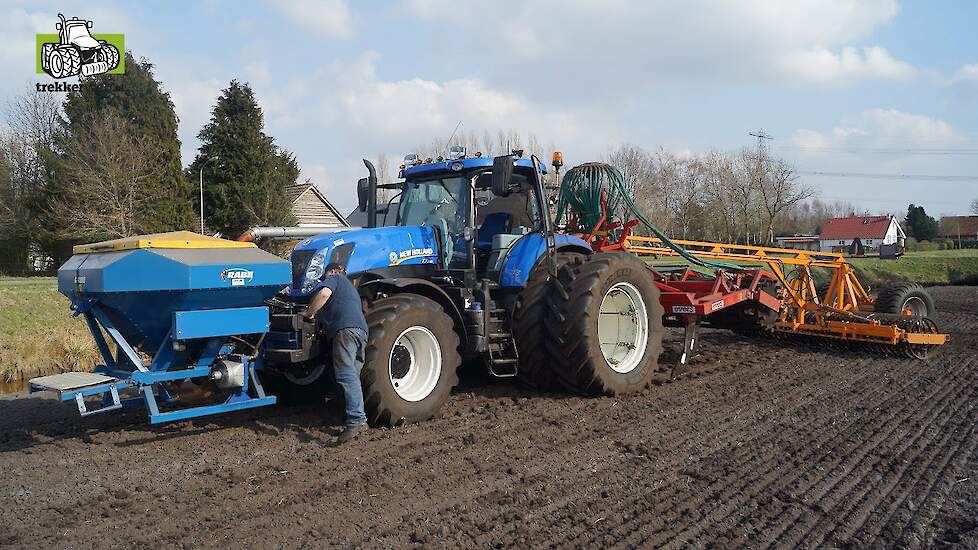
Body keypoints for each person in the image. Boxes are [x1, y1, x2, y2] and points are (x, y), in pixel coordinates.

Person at [305, 263, 369, 443]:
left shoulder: (336, 279)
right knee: (353, 376)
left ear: (334, 271)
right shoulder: (351, 290)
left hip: (345, 331)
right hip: (361, 333)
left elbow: (324, 294)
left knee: (346, 375)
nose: (324, 280)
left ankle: (356, 421)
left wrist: (309, 313)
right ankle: (359, 419)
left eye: (324, 276)